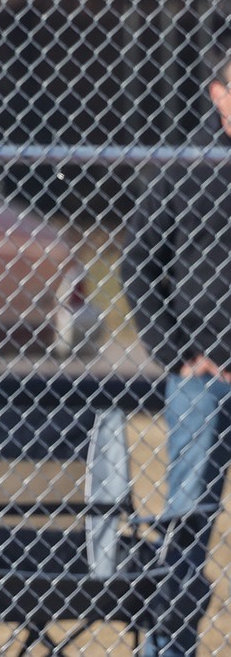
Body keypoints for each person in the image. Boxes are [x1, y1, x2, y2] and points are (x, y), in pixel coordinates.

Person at [121, 49, 231, 657]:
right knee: (186, 524)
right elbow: (137, 263)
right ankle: (166, 648)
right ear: (217, 92)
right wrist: (177, 351)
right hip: (204, 383)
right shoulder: (187, 165)